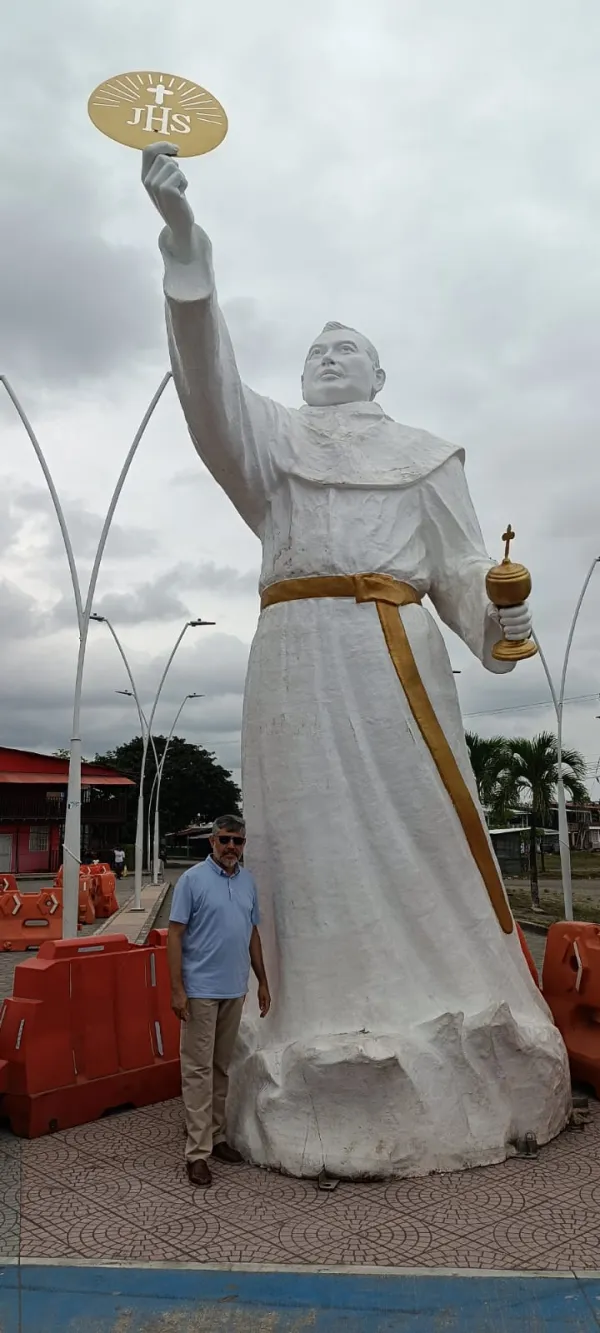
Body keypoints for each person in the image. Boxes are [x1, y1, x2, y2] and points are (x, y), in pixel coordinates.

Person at [142, 143, 570, 1178]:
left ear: (380, 374)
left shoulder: (426, 453)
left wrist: (499, 609)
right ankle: (322, 1023)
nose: (330, 357)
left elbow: (463, 566)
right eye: (316, 352)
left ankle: (456, 1006)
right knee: (307, 844)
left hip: (395, 653)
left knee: (422, 828)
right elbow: (207, 393)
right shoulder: (272, 444)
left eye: (350, 350)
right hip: (295, 655)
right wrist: (186, 248)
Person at [167, 814, 270, 1187]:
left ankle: (217, 1135)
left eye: (237, 841)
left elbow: (251, 932)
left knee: (221, 1067)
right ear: (212, 841)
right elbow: (174, 936)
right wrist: (177, 989)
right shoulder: (192, 881)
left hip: (234, 989)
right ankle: (197, 1153)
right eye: (225, 839)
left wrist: (262, 981)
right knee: (196, 1069)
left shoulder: (247, 882)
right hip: (200, 992)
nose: (231, 847)